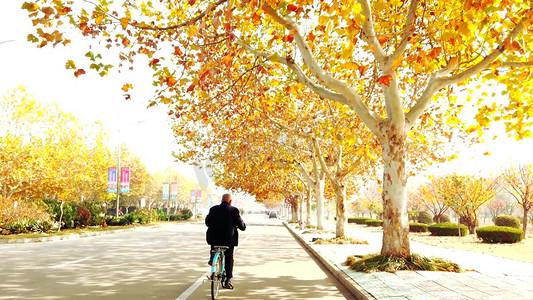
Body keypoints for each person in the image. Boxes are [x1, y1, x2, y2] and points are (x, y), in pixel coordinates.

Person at [205, 194, 246, 290]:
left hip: (214, 238)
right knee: (229, 257)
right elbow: (241, 226)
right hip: (228, 240)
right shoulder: (234, 210)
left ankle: (212, 259)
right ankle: (228, 280)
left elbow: (207, 223)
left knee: (214, 247)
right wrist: (242, 226)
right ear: (230, 201)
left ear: (221, 200)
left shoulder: (213, 209)